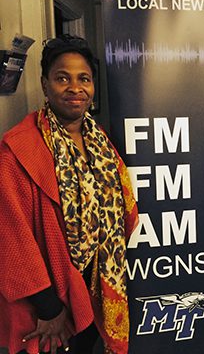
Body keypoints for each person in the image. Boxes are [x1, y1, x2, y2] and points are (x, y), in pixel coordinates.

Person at [0, 35, 138, 354]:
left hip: (94, 290)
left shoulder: (100, 142)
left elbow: (121, 210)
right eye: (62, 78)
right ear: (45, 85)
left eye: (84, 79)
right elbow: (11, 237)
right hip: (46, 305)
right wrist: (49, 307)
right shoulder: (17, 148)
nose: (75, 88)